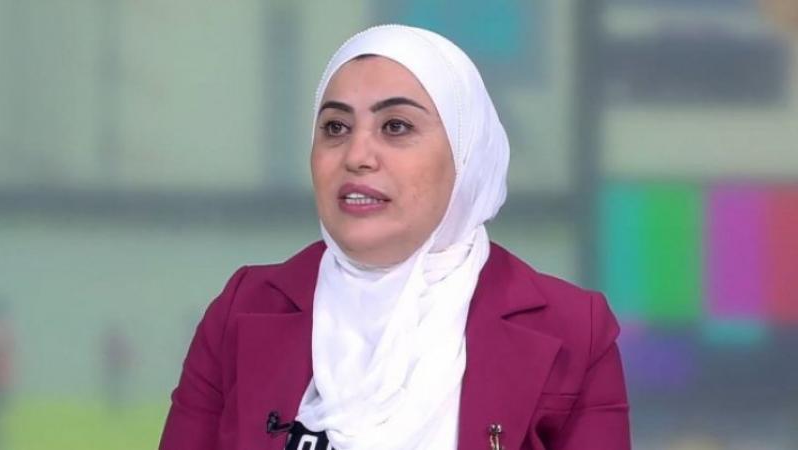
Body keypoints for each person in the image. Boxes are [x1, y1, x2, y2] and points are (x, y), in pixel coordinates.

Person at [160, 25, 629, 450]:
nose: (357, 155)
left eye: (396, 127)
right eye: (335, 128)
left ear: (465, 153)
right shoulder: (242, 308)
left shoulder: (574, 331)